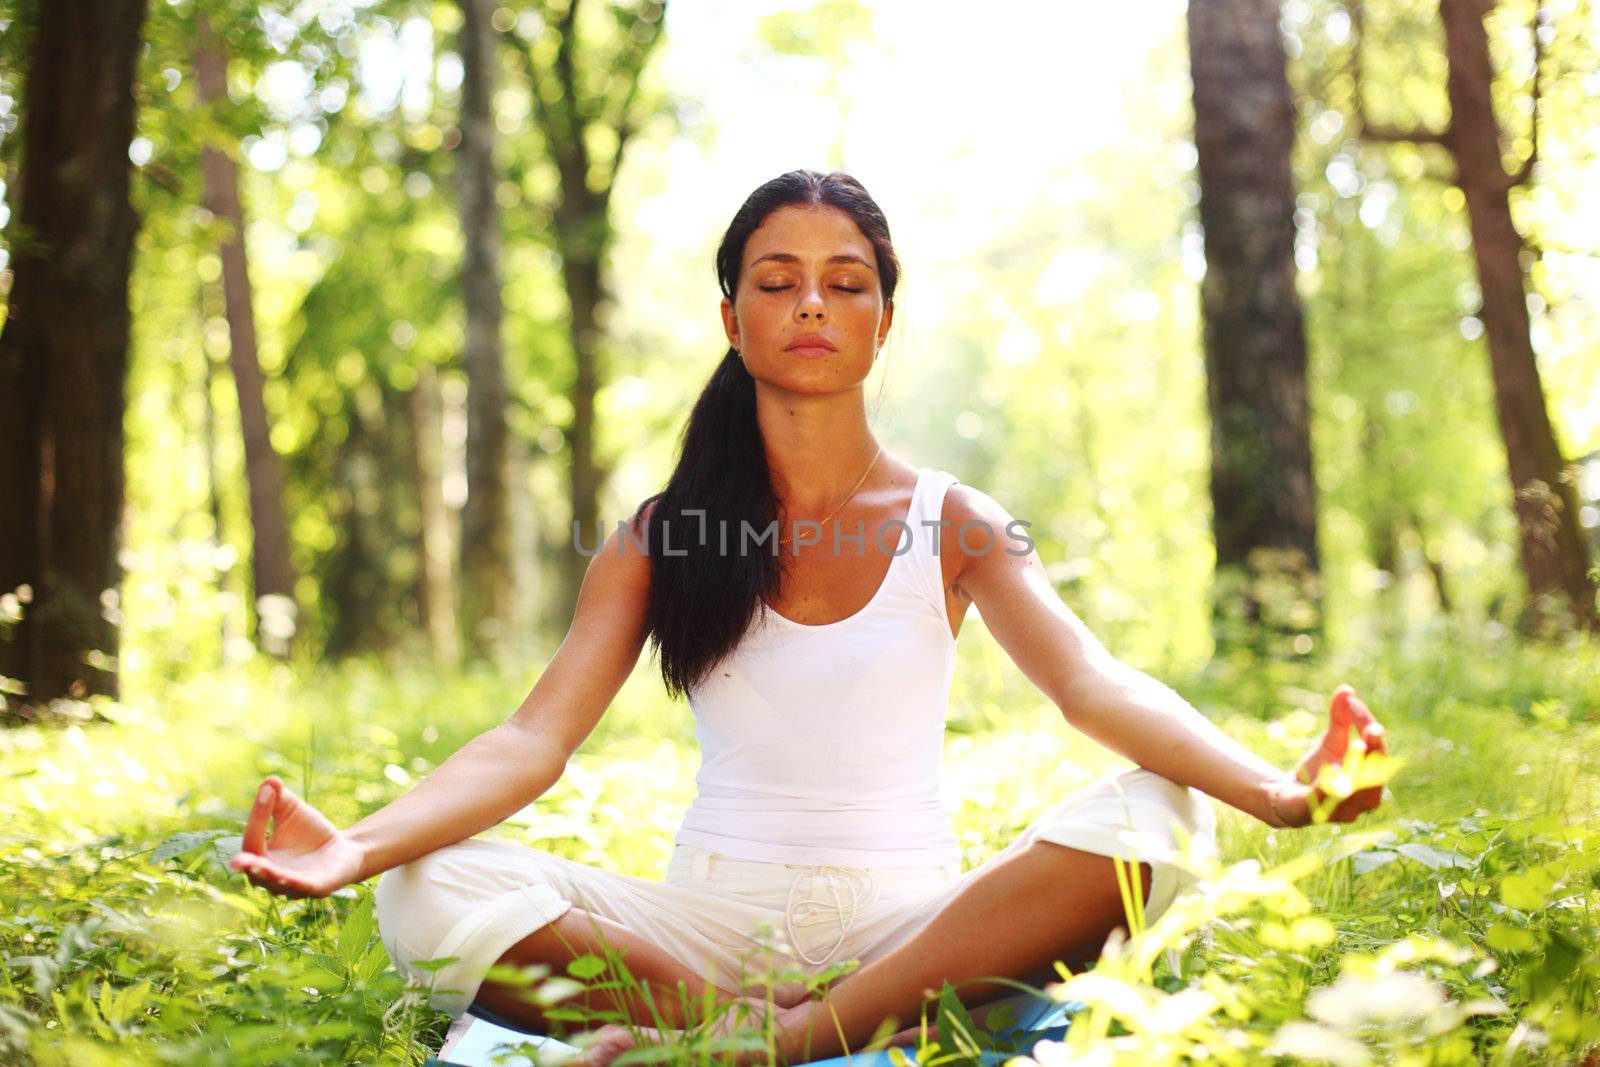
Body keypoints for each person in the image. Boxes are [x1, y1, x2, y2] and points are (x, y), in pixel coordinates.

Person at [229, 169, 1390, 1066]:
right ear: (732, 316)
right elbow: (534, 739)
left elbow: (1094, 684)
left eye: (846, 281)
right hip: (698, 938)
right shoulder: (659, 531)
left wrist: (1281, 794)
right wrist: (363, 843)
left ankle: (783, 1040)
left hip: (914, 931)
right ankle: (762, 1025)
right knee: (426, 888)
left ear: (884, 321)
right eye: (777, 280)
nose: (812, 305)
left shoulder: (959, 520)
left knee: (1161, 813)